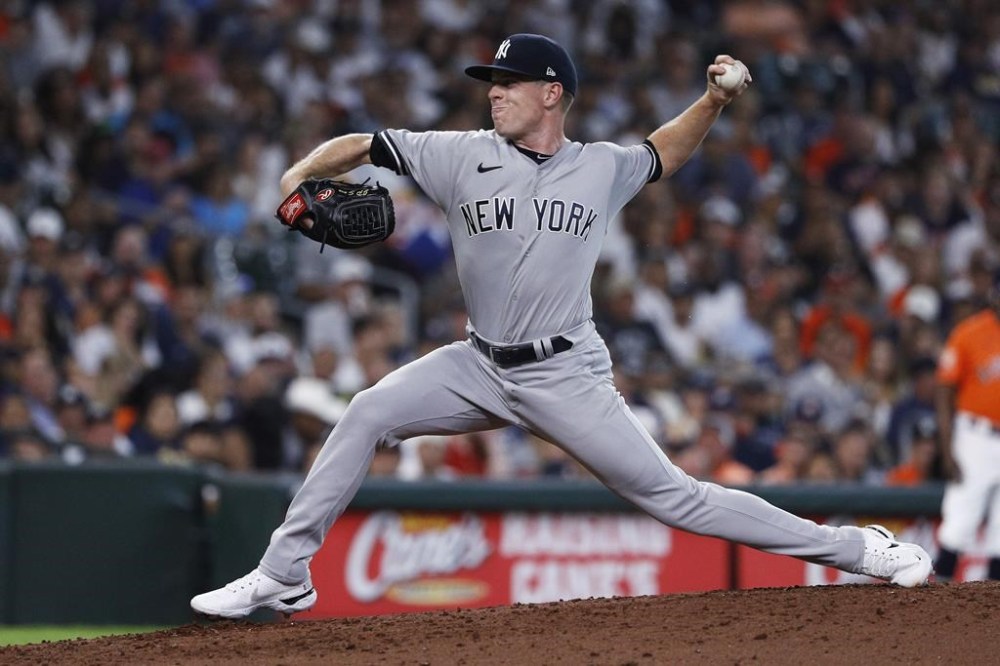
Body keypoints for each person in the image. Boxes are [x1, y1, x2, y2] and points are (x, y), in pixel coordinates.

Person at [190, 33, 931, 619]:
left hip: (564, 370)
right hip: (477, 364)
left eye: (508, 82)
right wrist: (296, 177)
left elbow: (662, 152)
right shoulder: (458, 154)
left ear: (552, 94)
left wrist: (712, 102)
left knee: (676, 498)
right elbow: (362, 144)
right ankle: (284, 573)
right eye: (491, 82)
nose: (494, 92)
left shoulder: (600, 167)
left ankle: (857, 549)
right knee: (366, 411)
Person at [933, 270, 1000, 581]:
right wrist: (947, 448)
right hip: (975, 437)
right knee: (958, 525)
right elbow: (944, 391)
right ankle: (934, 602)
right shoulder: (969, 332)